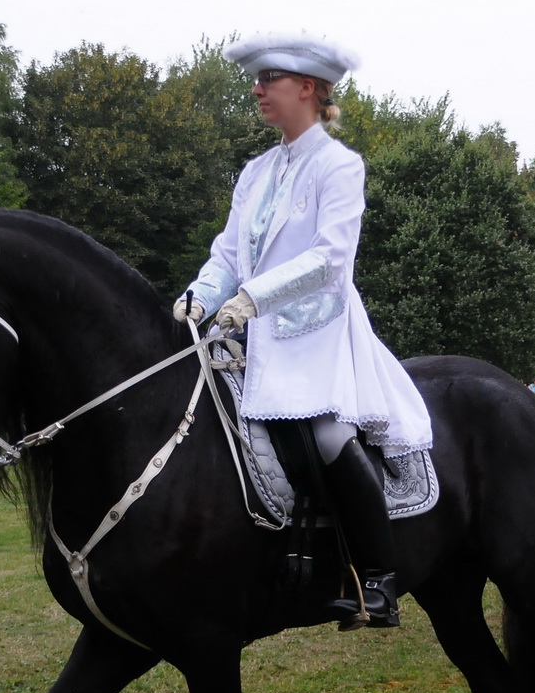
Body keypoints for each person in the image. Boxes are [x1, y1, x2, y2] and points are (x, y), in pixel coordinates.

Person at [174, 33, 432, 629]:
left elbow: (330, 259)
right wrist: (199, 297)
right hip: (250, 332)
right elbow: (228, 252)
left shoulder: (340, 166)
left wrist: (253, 298)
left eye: (270, 79)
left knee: (328, 434)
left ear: (308, 88)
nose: (257, 89)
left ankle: (377, 581)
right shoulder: (255, 172)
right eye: (257, 79)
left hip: (318, 333)